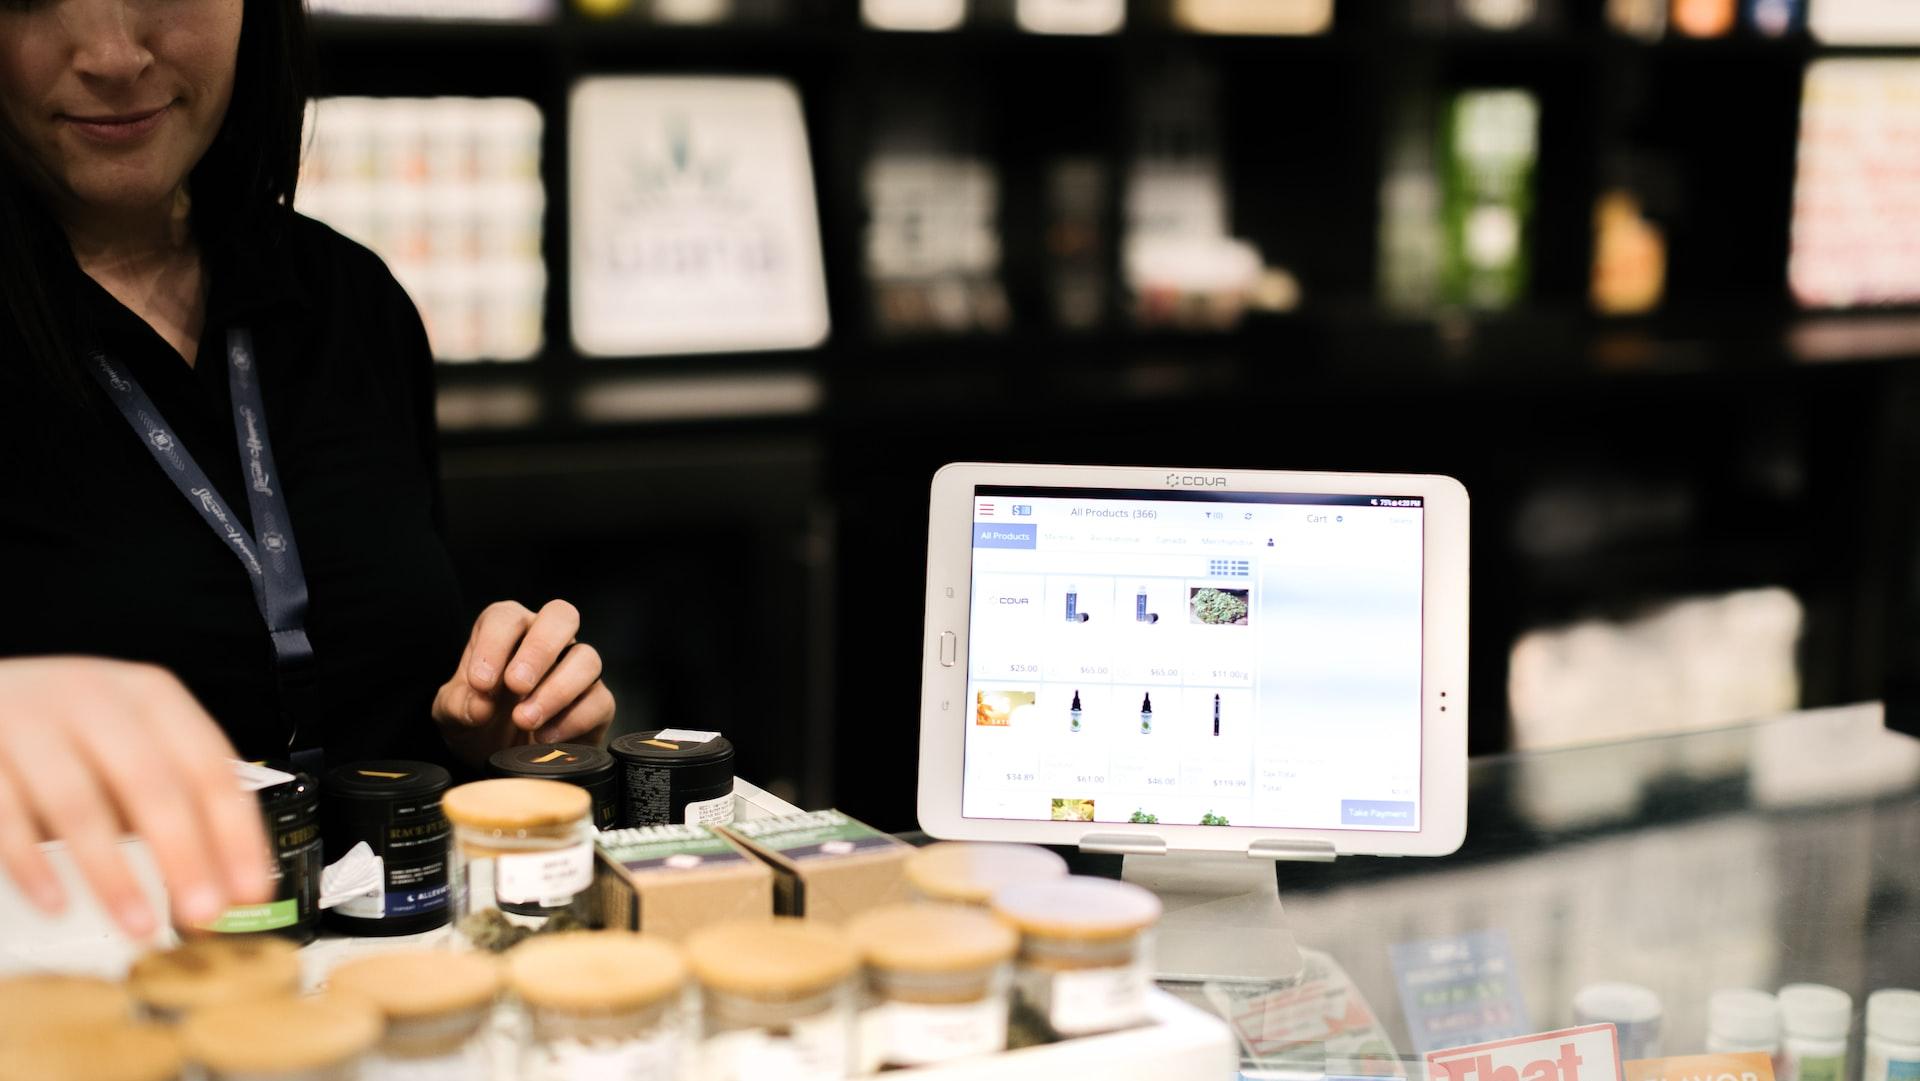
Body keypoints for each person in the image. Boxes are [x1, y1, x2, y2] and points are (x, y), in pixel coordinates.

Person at [0, 0, 614, 937]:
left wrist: (503, 737)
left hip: (382, 984)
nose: (115, 54)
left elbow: (397, 696)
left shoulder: (351, 302)